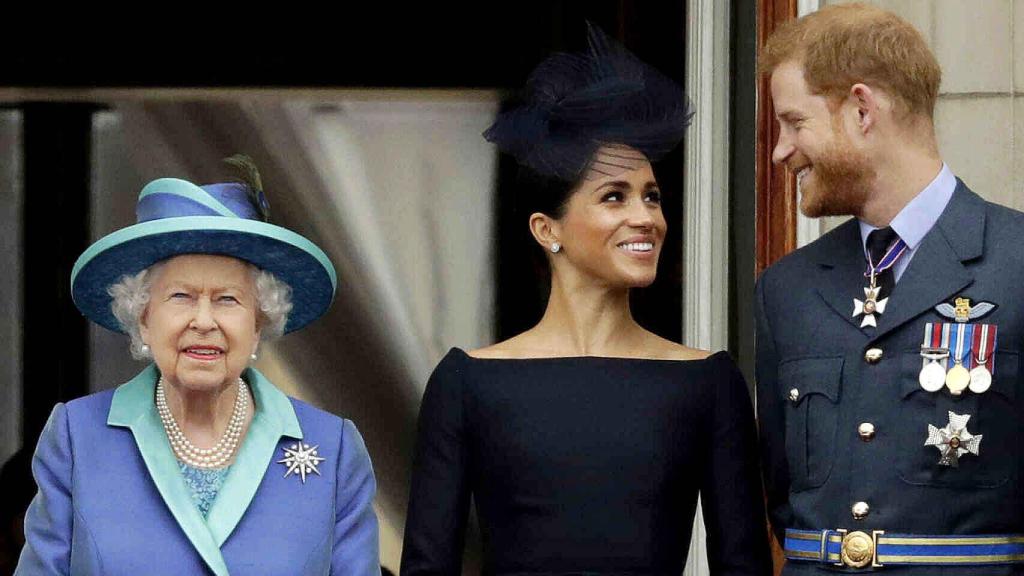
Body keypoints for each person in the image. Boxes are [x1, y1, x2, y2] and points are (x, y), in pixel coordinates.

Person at [401, 24, 771, 576]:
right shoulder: (466, 383)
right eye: (613, 197)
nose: (646, 217)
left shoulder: (708, 383)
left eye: (651, 196)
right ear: (548, 229)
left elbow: (744, 567)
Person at [757, 3, 1024, 573]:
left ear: (861, 109)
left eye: (794, 122)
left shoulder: (1017, 260)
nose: (780, 150)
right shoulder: (787, 288)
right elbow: (783, 496)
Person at [16, 159, 380, 575]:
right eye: (181, 297)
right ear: (143, 318)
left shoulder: (333, 448)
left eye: (228, 299)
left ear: (259, 323)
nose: (204, 321)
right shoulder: (76, 436)